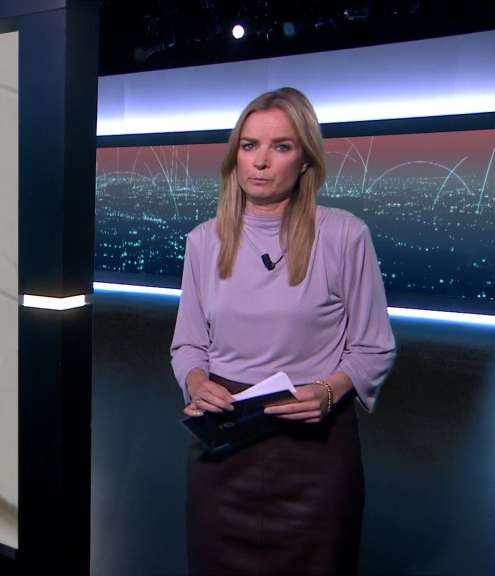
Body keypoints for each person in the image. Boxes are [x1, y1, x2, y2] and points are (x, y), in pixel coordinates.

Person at [170, 87, 396, 576]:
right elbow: (188, 343)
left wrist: (328, 391)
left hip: (314, 444)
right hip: (224, 441)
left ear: (305, 160)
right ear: (234, 157)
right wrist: (197, 382)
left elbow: (372, 347)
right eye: (249, 145)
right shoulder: (203, 241)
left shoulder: (344, 235)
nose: (261, 162)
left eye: (281, 146)